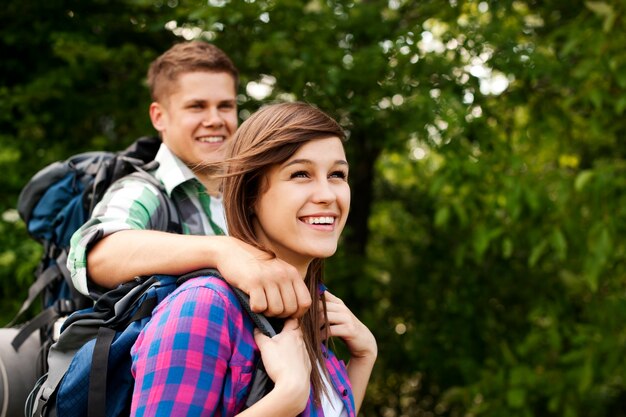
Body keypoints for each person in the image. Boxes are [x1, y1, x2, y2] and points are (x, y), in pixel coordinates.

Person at [130, 102, 378, 416]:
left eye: (337, 175)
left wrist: (364, 357)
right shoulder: (205, 307)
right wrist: (287, 396)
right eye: (300, 174)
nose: (327, 194)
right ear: (250, 196)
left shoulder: (312, 313)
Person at [67, 41, 310, 317]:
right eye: (197, 107)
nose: (215, 119)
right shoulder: (141, 190)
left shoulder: (251, 194)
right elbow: (96, 256)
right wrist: (221, 250)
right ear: (159, 117)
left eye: (225, 106)